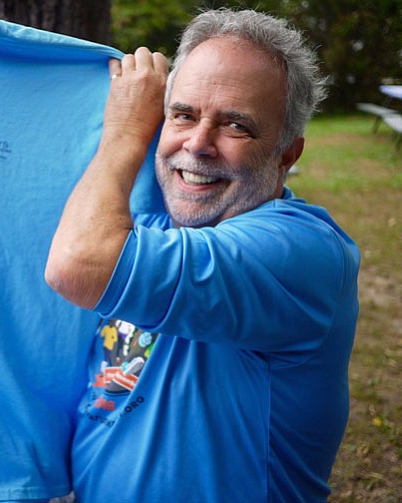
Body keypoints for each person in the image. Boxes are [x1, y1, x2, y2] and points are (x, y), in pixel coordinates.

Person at [45, 8, 360, 503]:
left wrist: (125, 131)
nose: (196, 144)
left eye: (236, 125)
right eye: (183, 114)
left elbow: (77, 265)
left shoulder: (300, 254)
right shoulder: (150, 222)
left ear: (286, 155)